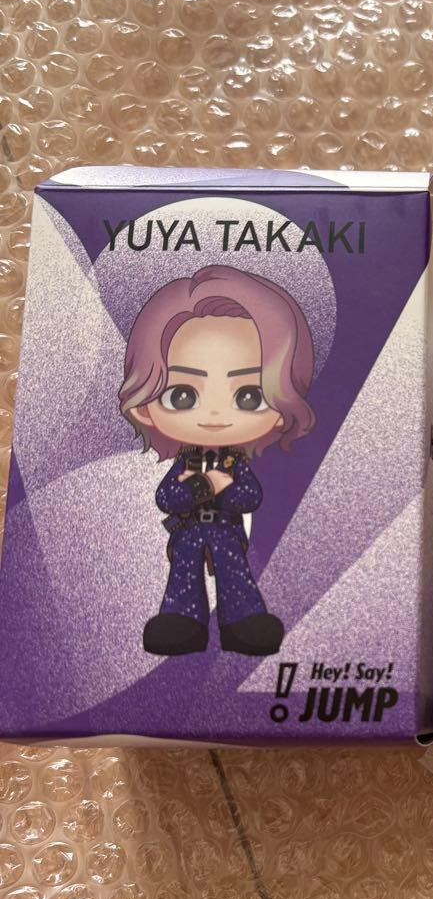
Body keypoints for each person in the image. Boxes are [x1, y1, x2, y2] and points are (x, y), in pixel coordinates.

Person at [119, 265, 315, 656]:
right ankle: (182, 622)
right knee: (183, 575)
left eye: (249, 396)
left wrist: (219, 490)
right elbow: (167, 498)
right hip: (188, 531)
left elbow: (248, 496)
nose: (213, 416)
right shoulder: (187, 462)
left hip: (225, 530)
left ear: (280, 410)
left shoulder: (234, 463)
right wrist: (205, 485)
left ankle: (243, 622)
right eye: (182, 396)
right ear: (144, 407)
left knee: (235, 575)